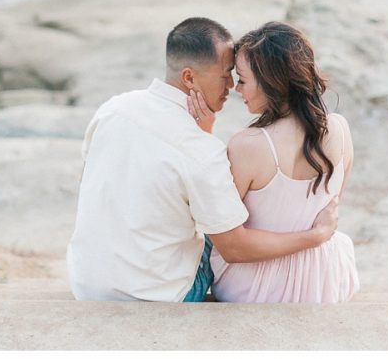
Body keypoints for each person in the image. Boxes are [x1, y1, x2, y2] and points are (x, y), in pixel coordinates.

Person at [66, 17, 339, 302]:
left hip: (86, 283)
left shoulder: (113, 109)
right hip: (157, 298)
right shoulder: (202, 151)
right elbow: (235, 249)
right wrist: (316, 236)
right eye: (226, 73)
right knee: (224, 223)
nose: (232, 85)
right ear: (189, 78)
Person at [187, 21, 360, 303]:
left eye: (242, 79)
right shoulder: (339, 129)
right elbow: (329, 206)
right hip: (327, 279)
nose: (236, 89)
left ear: (271, 82)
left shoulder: (248, 145)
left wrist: (203, 136)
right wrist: (316, 236)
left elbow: (231, 246)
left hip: (259, 288)